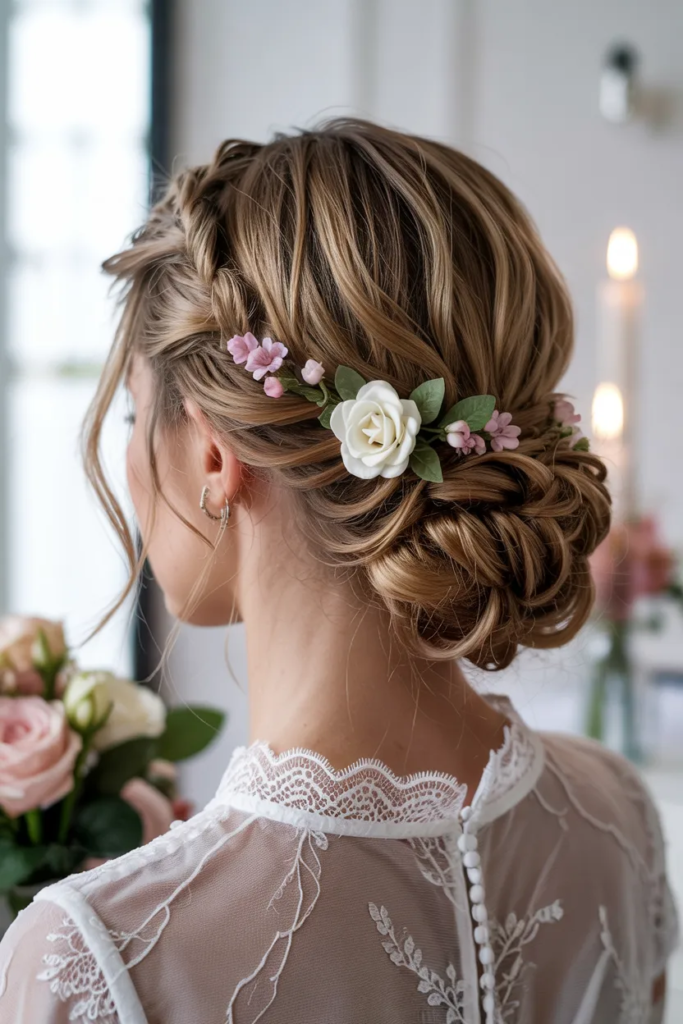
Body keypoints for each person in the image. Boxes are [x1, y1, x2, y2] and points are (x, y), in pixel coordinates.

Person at [0, 119, 677, 1024]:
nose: (127, 460)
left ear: (212, 455)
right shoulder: (618, 822)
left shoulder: (101, 961)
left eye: (133, 416)